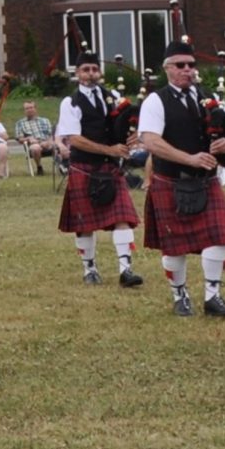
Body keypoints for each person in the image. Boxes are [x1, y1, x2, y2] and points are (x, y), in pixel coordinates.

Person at [138, 42, 225, 318]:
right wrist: (190, 159)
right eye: (180, 65)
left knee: (218, 238)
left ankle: (213, 296)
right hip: (171, 180)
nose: (187, 70)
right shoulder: (156, 100)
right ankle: (180, 295)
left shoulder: (208, 98)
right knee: (174, 245)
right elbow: (150, 140)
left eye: (191, 64)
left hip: (206, 182)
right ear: (167, 69)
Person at [58, 52, 144, 288]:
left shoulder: (113, 96)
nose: (90, 74)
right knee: (84, 223)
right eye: (85, 69)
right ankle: (90, 269)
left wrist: (133, 134)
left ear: (100, 72)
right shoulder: (71, 102)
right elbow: (74, 139)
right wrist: (109, 149)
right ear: (77, 74)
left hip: (109, 167)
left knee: (122, 218)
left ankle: (126, 270)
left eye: (94, 69)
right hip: (84, 166)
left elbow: (124, 124)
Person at [15, 101, 58, 177]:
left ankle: (62, 166)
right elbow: (20, 139)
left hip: (46, 142)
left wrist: (48, 142)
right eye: (27, 108)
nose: (29, 110)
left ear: (35, 109)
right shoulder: (20, 123)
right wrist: (28, 139)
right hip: (33, 144)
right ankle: (39, 167)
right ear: (24, 111)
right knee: (36, 148)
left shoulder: (45, 120)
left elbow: (51, 134)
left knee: (59, 146)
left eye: (31, 107)